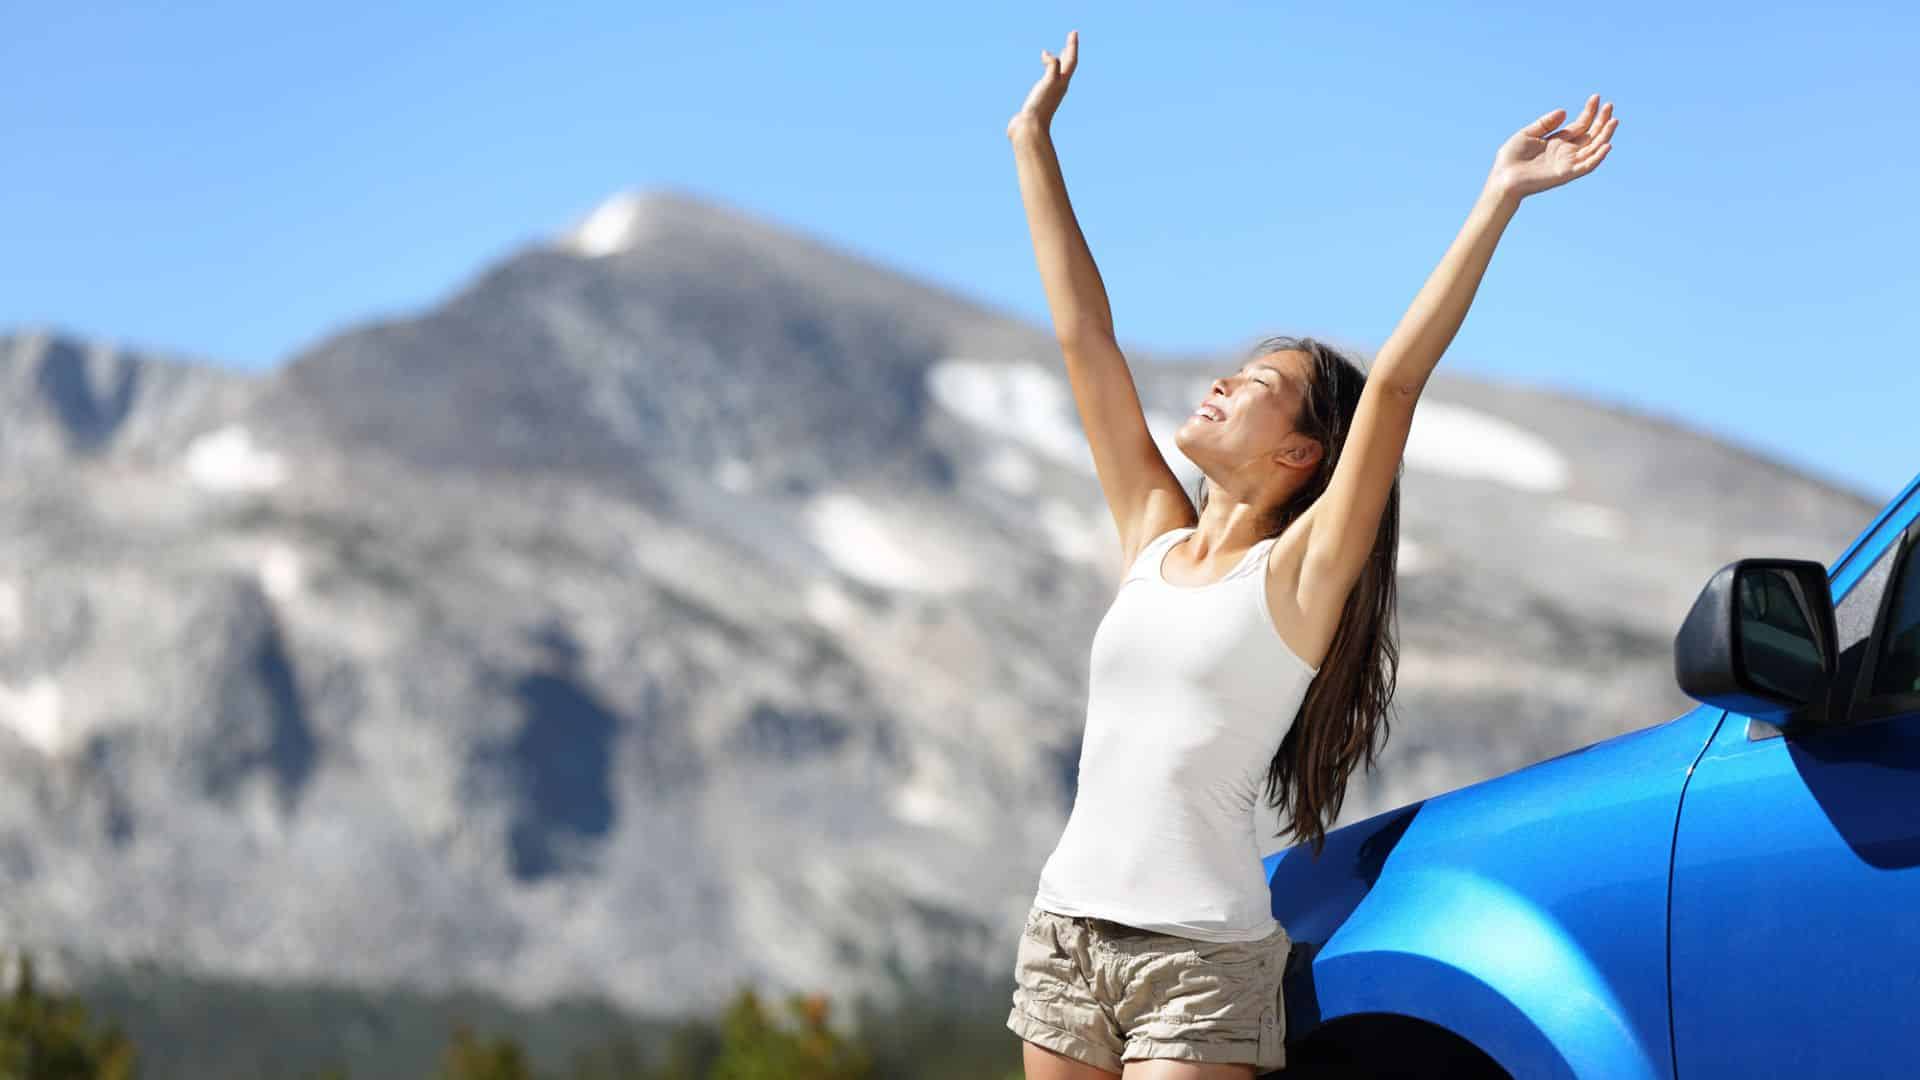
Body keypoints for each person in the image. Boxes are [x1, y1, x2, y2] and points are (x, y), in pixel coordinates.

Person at [1003, 29, 1618, 1079]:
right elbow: (1084, 338)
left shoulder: (1297, 578)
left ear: (1300, 454)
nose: (1224, 383)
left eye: (1260, 385)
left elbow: (1395, 386)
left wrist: (1499, 197)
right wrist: (1032, 142)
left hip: (1197, 966)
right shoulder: (1153, 531)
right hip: (1063, 937)